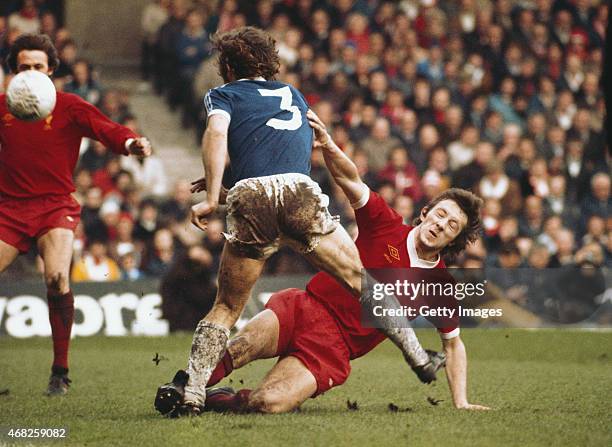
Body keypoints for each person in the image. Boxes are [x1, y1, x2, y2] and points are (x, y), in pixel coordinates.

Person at [155, 27, 440, 416]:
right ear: (269, 63)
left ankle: (192, 394)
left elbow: (216, 133)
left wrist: (213, 196)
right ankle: (418, 356)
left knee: (226, 306)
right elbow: (282, 149)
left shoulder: (223, 95)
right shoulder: (293, 93)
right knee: (363, 284)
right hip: (299, 193)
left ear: (226, 65)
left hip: (253, 197)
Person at [160, 111, 489, 415]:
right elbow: (351, 180)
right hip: (303, 307)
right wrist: (329, 145)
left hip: (333, 350)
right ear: (426, 212)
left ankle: (223, 399)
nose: (441, 225)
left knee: (269, 402)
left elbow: (453, 343)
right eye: (441, 214)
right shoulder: (386, 223)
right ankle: (183, 385)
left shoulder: (440, 286)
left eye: (451, 226)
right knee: (241, 347)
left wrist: (461, 401)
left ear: (453, 241)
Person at [0, 34, 152, 395]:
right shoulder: (2, 108)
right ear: (13, 72)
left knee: (56, 278)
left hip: (54, 206)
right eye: (24, 67)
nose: (32, 73)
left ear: (50, 69)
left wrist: (131, 143)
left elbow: (106, 129)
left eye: (39, 66)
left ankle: (60, 371)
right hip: (9, 209)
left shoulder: (69, 106)